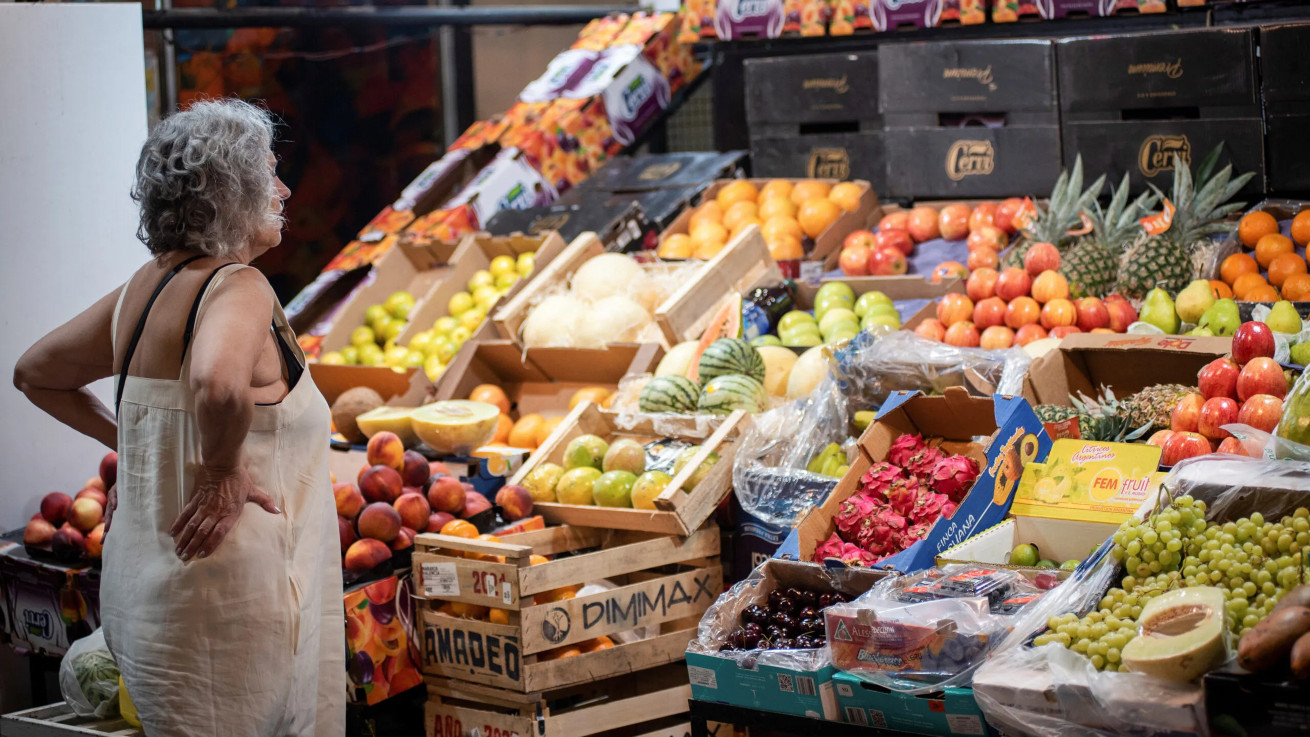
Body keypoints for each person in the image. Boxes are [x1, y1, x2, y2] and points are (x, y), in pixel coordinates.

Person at [13, 98, 344, 737]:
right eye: (270, 171)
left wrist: (135, 449)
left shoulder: (145, 288)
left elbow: (36, 373)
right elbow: (217, 385)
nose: (285, 188)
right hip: (231, 616)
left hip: (151, 607)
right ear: (232, 190)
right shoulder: (240, 287)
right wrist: (220, 471)